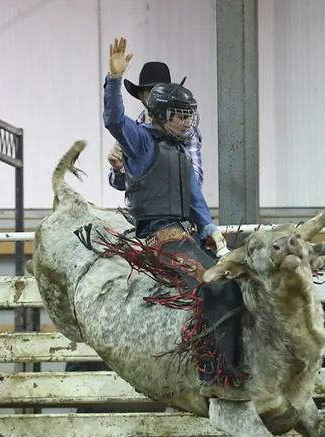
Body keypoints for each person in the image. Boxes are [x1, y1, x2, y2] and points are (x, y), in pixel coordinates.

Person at [102, 37, 245, 402]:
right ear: (163, 114)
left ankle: (231, 364)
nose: (186, 121)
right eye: (181, 114)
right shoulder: (143, 142)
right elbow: (114, 119)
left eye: (187, 114)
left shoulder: (179, 150)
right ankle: (210, 370)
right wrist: (114, 80)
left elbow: (194, 198)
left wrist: (210, 229)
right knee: (212, 285)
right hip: (160, 242)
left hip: (185, 238)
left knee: (232, 283)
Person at [107, 61, 203, 204]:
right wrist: (118, 169)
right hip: (136, 216)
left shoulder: (183, 128)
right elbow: (116, 184)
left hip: (171, 215)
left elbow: (195, 180)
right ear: (141, 94)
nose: (157, 96)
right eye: (151, 90)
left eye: (162, 90)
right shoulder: (133, 130)